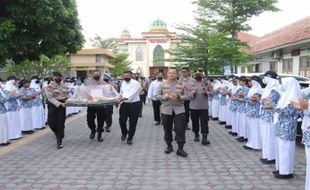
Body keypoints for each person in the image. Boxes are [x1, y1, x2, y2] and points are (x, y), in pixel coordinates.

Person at [156, 67, 189, 157]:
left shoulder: (182, 85)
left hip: (179, 109)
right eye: (170, 73)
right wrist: (164, 97)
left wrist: (179, 97)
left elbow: (188, 96)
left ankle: (180, 148)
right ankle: (169, 146)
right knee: (167, 128)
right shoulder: (162, 84)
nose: (171, 74)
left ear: (177, 74)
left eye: (173, 73)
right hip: (166, 109)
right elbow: (156, 95)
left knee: (180, 129)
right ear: (167, 74)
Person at [273, 77, 302, 179]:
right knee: (282, 149)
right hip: (281, 126)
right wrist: (276, 109)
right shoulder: (286, 95)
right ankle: (282, 169)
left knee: (286, 149)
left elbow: (288, 113)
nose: (282, 85)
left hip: (288, 127)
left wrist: (274, 108)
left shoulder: (293, 97)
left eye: (284, 84)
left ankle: (286, 172)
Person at [259, 71, 281, 164]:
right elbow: (265, 101)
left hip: (270, 117)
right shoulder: (268, 88)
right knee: (265, 136)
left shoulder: (275, 89)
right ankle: (266, 155)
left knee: (270, 137)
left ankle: (271, 157)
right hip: (265, 115)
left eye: (265, 77)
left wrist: (264, 100)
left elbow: (270, 102)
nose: (264, 80)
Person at [46, 72, 69, 149]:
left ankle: (59, 140)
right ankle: (57, 133)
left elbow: (67, 95)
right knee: (51, 122)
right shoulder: (50, 86)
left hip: (62, 105)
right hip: (53, 105)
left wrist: (68, 100)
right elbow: (50, 97)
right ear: (53, 77)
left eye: (59, 77)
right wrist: (59, 104)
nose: (58, 78)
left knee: (60, 122)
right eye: (56, 77)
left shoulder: (64, 85)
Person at [119, 70, 142, 145]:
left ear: (131, 75)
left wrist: (123, 98)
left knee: (133, 122)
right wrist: (119, 98)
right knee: (122, 121)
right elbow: (121, 92)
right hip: (124, 104)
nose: (126, 77)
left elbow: (132, 94)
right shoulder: (123, 83)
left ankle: (130, 138)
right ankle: (124, 132)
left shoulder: (136, 83)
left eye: (127, 76)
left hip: (134, 104)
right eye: (124, 76)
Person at [189, 70, 210, 145]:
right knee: (195, 122)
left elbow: (212, 93)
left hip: (204, 107)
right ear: (194, 75)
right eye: (196, 74)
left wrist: (207, 92)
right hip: (194, 107)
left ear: (202, 75)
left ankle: (204, 138)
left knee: (204, 122)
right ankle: (196, 134)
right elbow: (188, 95)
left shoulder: (206, 83)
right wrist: (192, 93)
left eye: (200, 74)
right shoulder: (191, 84)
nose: (198, 75)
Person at [86, 70, 107, 142]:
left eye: (98, 74)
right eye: (95, 74)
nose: (96, 75)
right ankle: (93, 130)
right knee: (89, 120)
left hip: (101, 105)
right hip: (91, 104)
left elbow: (107, 93)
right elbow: (86, 92)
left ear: (100, 75)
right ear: (92, 75)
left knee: (101, 121)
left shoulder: (104, 83)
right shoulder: (88, 83)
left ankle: (99, 135)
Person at [243, 76, 263, 150]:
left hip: (255, 113)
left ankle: (257, 145)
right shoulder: (252, 89)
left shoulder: (258, 90)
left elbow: (253, 102)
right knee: (251, 129)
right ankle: (251, 143)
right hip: (249, 112)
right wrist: (249, 98)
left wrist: (248, 99)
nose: (249, 83)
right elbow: (250, 100)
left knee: (256, 129)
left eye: (250, 81)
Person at [4, 76, 22, 140]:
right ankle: (11, 135)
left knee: (16, 120)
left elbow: (16, 95)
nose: (15, 82)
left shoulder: (14, 87)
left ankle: (17, 134)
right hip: (10, 108)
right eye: (14, 80)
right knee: (11, 121)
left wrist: (17, 95)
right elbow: (7, 98)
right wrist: (16, 96)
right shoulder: (6, 88)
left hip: (15, 107)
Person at [235, 76, 249, 142]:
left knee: (244, 123)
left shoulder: (246, 89)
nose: (239, 82)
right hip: (240, 107)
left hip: (244, 108)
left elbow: (245, 99)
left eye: (240, 81)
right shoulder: (241, 88)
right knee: (241, 122)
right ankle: (242, 135)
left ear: (243, 82)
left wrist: (236, 98)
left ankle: (245, 136)